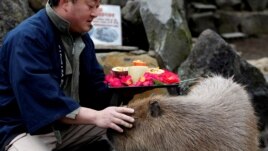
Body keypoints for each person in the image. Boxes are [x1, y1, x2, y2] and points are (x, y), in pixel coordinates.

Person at [0, 0, 135, 150]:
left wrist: (126, 89)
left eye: (98, 7)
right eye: (91, 6)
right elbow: (44, 99)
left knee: (130, 125)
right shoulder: (27, 37)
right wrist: (96, 117)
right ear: (65, 3)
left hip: (67, 127)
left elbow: (96, 91)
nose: (96, 13)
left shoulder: (81, 37)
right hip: (23, 130)